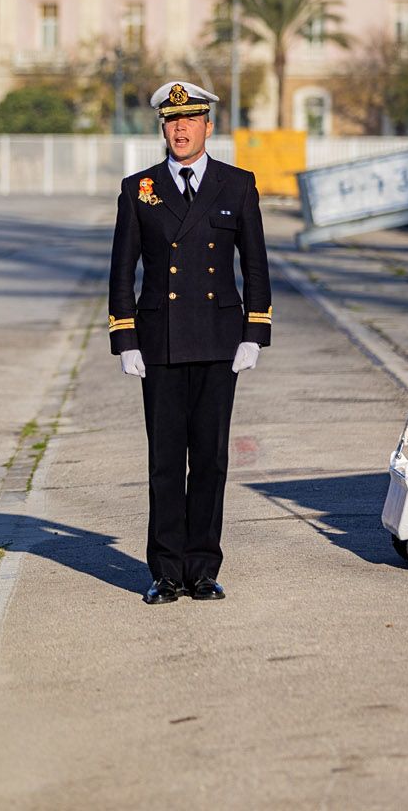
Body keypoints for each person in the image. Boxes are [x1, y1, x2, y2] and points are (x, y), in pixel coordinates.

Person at [107, 80, 272, 605]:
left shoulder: (237, 185)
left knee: (210, 459)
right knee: (163, 462)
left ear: (208, 126)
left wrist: (255, 331)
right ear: (162, 127)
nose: (179, 129)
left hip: (219, 340)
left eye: (190, 119)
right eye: (171, 121)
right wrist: (126, 337)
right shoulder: (140, 189)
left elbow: (256, 266)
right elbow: (121, 272)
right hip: (161, 343)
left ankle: (202, 567)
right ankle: (164, 572)